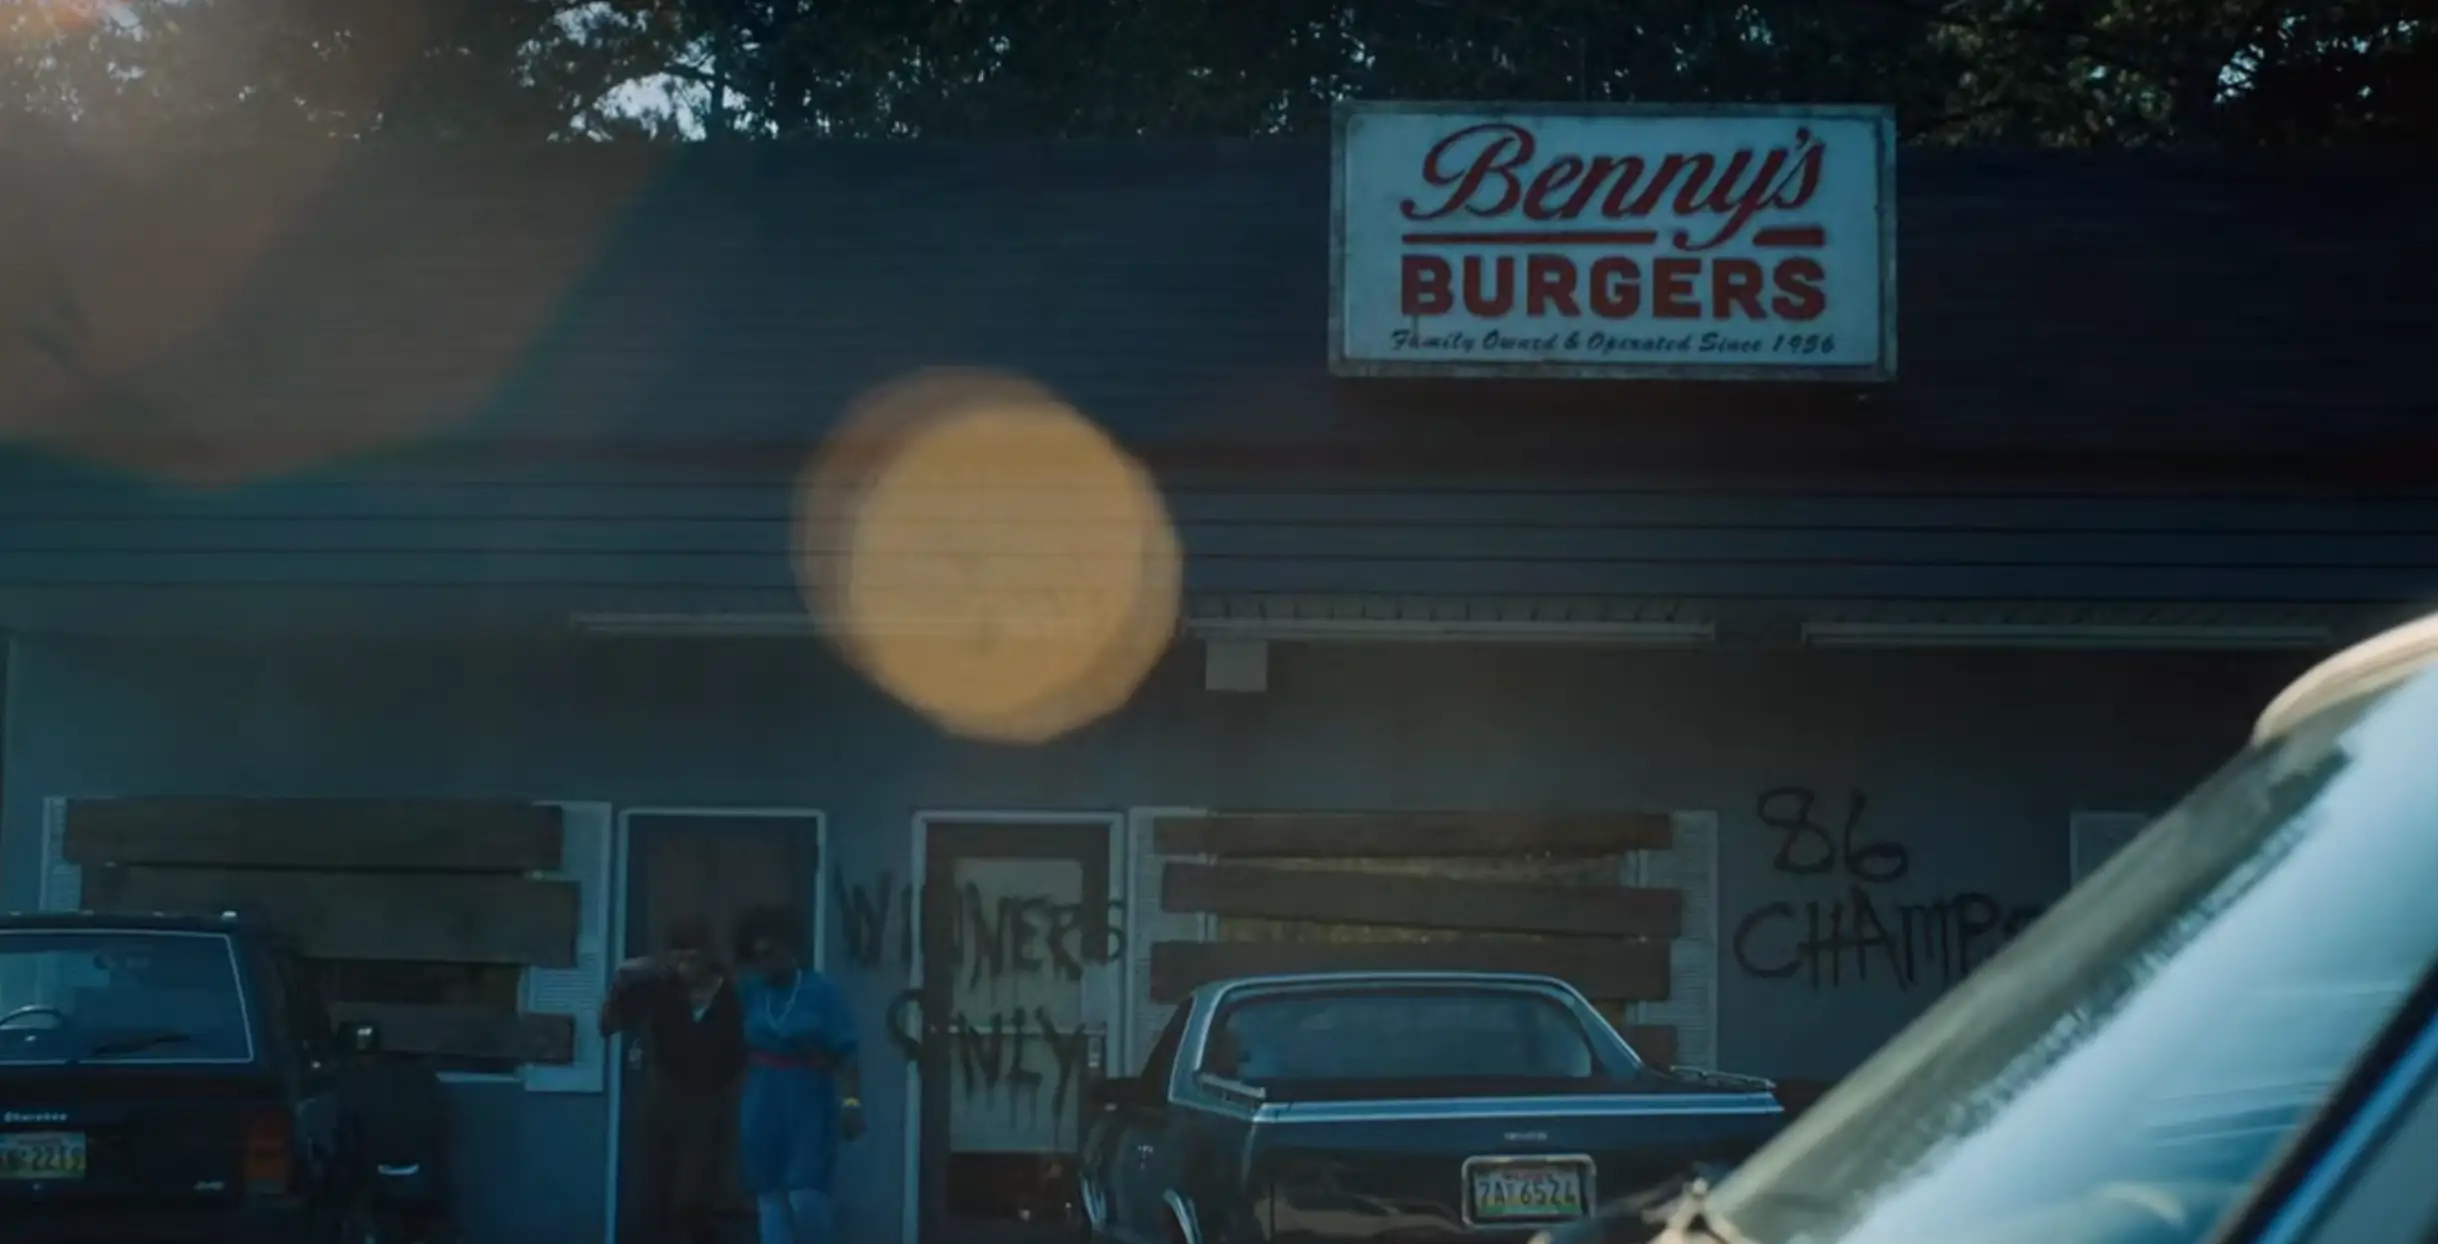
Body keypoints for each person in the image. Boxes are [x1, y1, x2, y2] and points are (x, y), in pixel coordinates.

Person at [600, 916, 746, 1244]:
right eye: (678, 957)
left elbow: (742, 1048)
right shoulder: (659, 989)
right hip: (663, 1093)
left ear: (707, 955)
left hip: (709, 1099)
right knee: (652, 1189)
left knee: (691, 1196)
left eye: (692, 957)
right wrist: (620, 985)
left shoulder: (731, 995)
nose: (685, 966)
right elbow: (608, 1025)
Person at [732, 906, 863, 1244]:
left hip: (807, 1100)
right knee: (769, 1197)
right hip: (762, 1100)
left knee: (806, 1197)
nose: (763, 962)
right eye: (757, 956)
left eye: (770, 953)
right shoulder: (751, 991)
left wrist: (851, 1103)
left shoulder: (821, 992)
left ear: (790, 950)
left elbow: (848, 1054)